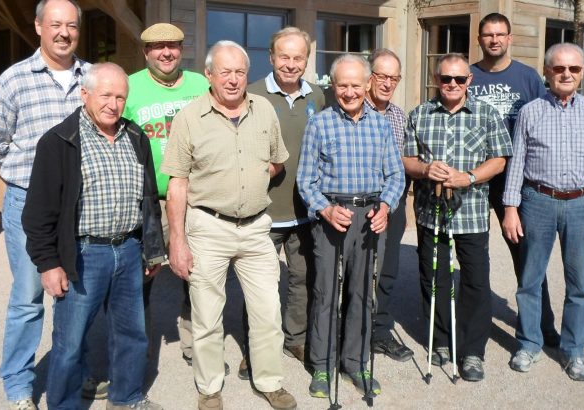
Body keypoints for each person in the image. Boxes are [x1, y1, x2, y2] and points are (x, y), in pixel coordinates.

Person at [161, 40, 297, 410]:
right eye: (225, 72)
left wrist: (251, 178)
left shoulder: (265, 110)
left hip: (256, 228)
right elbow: (177, 183)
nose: (234, 79)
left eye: (240, 72)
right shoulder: (189, 117)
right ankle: (209, 389)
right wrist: (177, 241)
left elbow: (277, 162)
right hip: (208, 226)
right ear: (209, 75)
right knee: (206, 316)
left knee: (268, 310)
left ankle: (269, 381)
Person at [22, 62, 165, 410]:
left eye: (120, 97)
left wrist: (152, 249)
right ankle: (65, 405)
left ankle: (127, 397)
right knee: (70, 342)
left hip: (129, 249)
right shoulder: (59, 141)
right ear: (85, 94)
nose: (113, 104)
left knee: (132, 333)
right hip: (84, 254)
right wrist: (48, 263)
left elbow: (148, 199)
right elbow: (38, 213)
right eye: (105, 95)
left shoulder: (135, 136)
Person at [0, 1, 89, 408]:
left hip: (81, 203)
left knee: (76, 291)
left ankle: (72, 371)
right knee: (28, 297)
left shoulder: (91, 77)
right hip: (30, 203)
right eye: (56, 24)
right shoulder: (12, 81)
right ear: (39, 26)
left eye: (72, 25)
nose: (64, 32)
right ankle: (18, 383)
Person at [503, 43, 584, 381]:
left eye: (574, 69)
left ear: (582, 72)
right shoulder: (530, 111)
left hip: (583, 204)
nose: (566, 74)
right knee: (529, 280)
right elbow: (517, 163)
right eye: (559, 68)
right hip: (537, 201)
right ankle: (529, 343)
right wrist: (511, 207)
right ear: (547, 71)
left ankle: (573, 350)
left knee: (579, 284)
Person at [298, 54, 405, 398]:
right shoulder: (320, 123)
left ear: (367, 85)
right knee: (326, 291)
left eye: (355, 85)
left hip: (370, 216)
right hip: (332, 214)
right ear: (333, 86)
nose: (349, 92)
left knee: (362, 292)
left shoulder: (381, 124)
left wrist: (387, 205)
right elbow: (306, 181)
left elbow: (395, 175)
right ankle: (322, 365)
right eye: (342, 85)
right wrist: (325, 210)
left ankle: (356, 361)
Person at [402, 53, 512, 382]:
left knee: (475, 282)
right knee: (434, 279)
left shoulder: (487, 113)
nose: (452, 84)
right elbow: (406, 159)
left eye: (459, 79)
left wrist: (470, 177)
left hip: (472, 213)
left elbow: (499, 159)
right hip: (430, 211)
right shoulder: (420, 114)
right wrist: (424, 169)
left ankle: (472, 350)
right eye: (446, 79)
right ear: (437, 80)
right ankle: (440, 341)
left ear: (469, 81)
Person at [468, 12, 559, 348]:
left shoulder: (528, 78)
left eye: (500, 34)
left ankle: (540, 324)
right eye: (488, 34)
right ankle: (463, 323)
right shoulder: (468, 76)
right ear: (480, 38)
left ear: (509, 38)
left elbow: (547, 122)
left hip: (518, 181)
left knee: (527, 255)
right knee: (470, 252)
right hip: (476, 178)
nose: (494, 40)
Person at [238, 27, 326, 375]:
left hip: (304, 210)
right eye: (284, 57)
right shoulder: (252, 94)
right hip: (263, 211)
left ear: (306, 60)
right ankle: (255, 347)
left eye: (298, 57)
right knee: (259, 286)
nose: (291, 64)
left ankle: (296, 339)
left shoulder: (318, 97)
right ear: (271, 57)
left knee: (302, 280)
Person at [123, 22, 209, 370]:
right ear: (146, 52)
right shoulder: (129, 86)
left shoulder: (201, 85)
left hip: (194, 194)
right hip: (148, 197)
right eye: (157, 47)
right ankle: (137, 345)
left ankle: (194, 342)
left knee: (195, 272)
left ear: (181, 49)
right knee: (144, 273)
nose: (166, 53)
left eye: (172, 46)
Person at [364, 48, 414, 362]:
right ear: (370, 77)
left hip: (392, 204)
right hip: (360, 204)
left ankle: (379, 332)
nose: (387, 83)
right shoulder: (352, 110)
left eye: (393, 78)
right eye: (381, 76)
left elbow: (406, 161)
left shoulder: (398, 116)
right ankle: (350, 332)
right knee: (354, 271)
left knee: (388, 270)